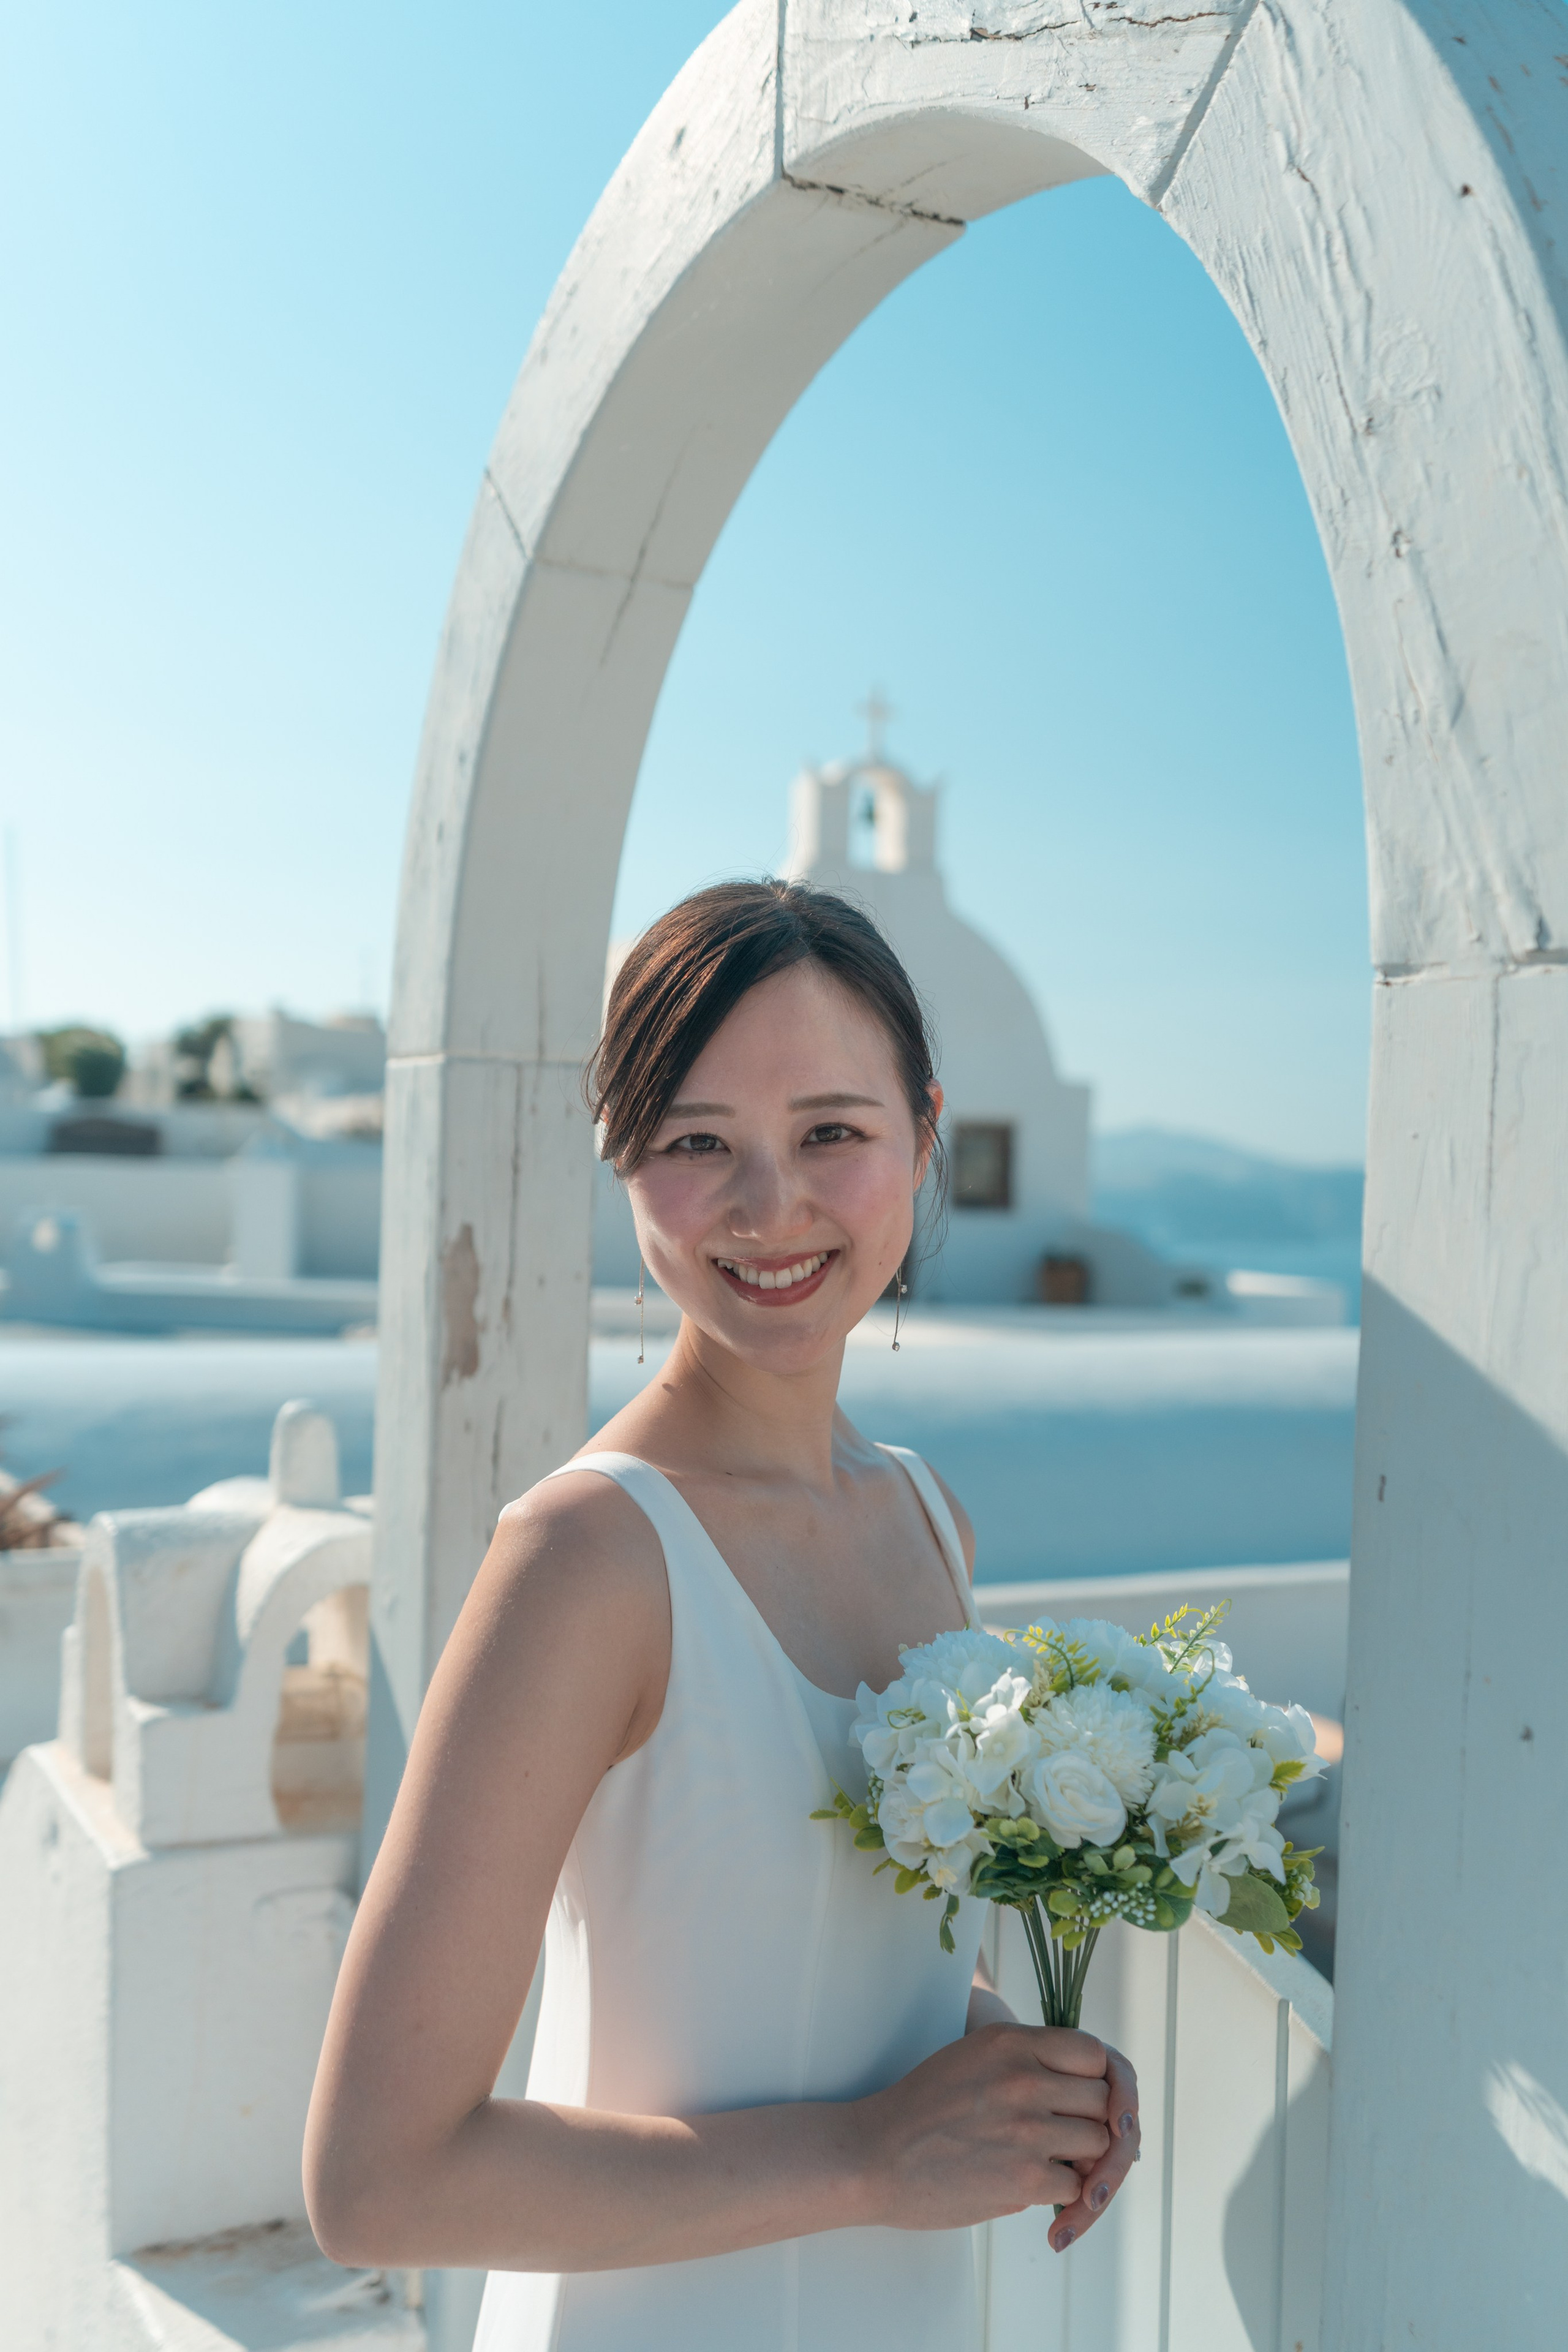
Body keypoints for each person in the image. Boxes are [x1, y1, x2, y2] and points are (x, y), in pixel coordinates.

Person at [304, 880, 1140, 2350]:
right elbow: (378, 2181)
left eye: (832, 1130)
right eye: (698, 1144)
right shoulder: (588, 1559)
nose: (770, 1207)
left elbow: (803, 1960)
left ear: (922, 1133)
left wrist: (1005, 2068)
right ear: (623, 1164)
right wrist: (875, 2156)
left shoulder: (926, 1517)